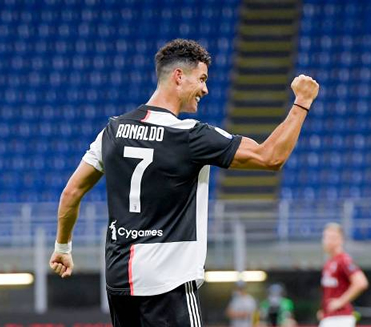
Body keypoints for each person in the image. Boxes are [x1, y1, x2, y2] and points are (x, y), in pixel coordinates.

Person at [49, 38, 319, 326]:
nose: (205, 88)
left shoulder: (112, 131)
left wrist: (63, 247)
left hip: (120, 281)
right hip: (168, 282)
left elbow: (71, 191)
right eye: (201, 79)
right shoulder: (189, 135)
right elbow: (270, 157)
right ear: (179, 76)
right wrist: (301, 102)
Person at [318, 223, 369, 327]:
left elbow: (361, 282)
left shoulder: (343, 260)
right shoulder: (329, 263)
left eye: (331, 237)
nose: (326, 241)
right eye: (325, 237)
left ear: (340, 240)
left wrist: (340, 302)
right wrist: (324, 309)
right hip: (329, 317)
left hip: (340, 318)